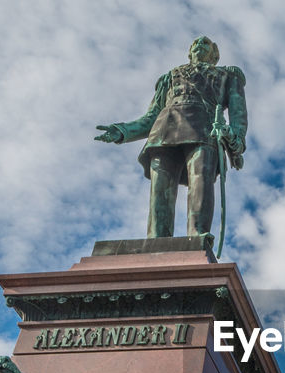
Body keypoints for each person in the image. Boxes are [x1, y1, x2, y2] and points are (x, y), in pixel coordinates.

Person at [95, 36, 247, 240]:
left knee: (201, 179)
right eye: (196, 44)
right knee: (160, 188)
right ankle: (156, 240)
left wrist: (235, 139)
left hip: (205, 129)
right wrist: (123, 131)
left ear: (215, 55)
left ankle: (197, 235)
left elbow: (239, 115)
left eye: (205, 44)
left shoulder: (228, 75)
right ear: (190, 52)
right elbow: (151, 116)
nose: (200, 46)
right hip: (164, 129)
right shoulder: (170, 76)